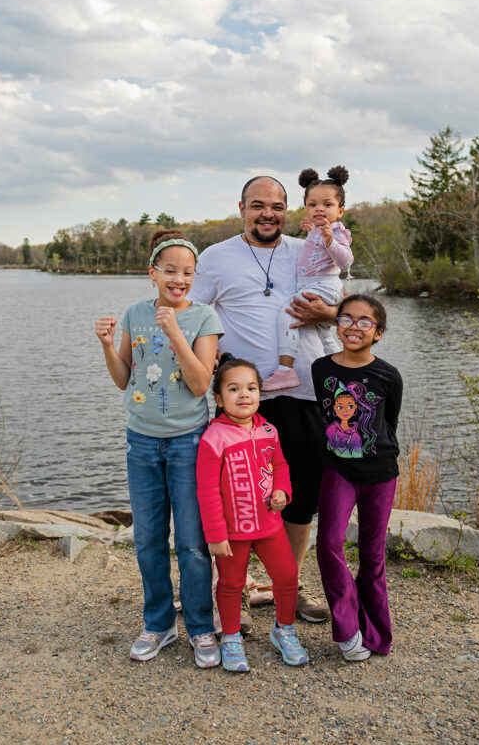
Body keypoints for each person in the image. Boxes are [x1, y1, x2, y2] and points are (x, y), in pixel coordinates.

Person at [190, 175, 337, 623]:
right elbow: (193, 316)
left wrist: (326, 313)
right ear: (241, 208)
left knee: (298, 498)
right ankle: (230, 591)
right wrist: (213, 361)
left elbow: (343, 308)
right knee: (233, 499)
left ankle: (283, 585)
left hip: (307, 393)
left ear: (287, 210)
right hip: (243, 402)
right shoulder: (215, 258)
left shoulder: (310, 248)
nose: (267, 213)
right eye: (258, 205)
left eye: (276, 206)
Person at [95, 230, 222, 668]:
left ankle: (202, 628)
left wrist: (175, 332)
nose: (179, 278)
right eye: (170, 271)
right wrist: (108, 346)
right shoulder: (134, 312)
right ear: (153, 274)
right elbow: (122, 379)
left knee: (191, 543)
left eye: (187, 272)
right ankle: (159, 623)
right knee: (149, 539)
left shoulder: (204, 317)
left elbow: (202, 383)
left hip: (189, 442)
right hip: (141, 442)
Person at [196, 357, 309, 672]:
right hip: (232, 531)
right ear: (219, 399)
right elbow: (206, 491)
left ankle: (283, 629)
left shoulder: (269, 430)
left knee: (286, 577)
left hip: (269, 525)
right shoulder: (213, 438)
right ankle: (231, 636)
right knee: (231, 584)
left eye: (251, 388)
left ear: (260, 393)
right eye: (234, 389)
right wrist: (216, 535)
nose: (244, 395)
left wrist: (283, 492)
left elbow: (281, 466)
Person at [311, 294, 403, 661]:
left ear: (377, 332)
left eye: (365, 321)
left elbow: (389, 425)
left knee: (372, 556)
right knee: (329, 544)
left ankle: (377, 634)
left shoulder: (388, 375)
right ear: (337, 325)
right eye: (346, 319)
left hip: (380, 473)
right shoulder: (321, 369)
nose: (354, 326)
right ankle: (348, 629)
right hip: (338, 470)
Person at [262, 166, 353, 392]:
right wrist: (312, 232)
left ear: (340, 210)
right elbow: (315, 254)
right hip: (315, 285)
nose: (319, 209)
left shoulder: (336, 231)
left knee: (287, 313)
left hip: (324, 285)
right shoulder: (318, 230)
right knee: (323, 334)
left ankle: (285, 369)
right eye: (312, 205)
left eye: (327, 205)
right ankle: (342, 371)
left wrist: (331, 241)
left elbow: (346, 262)